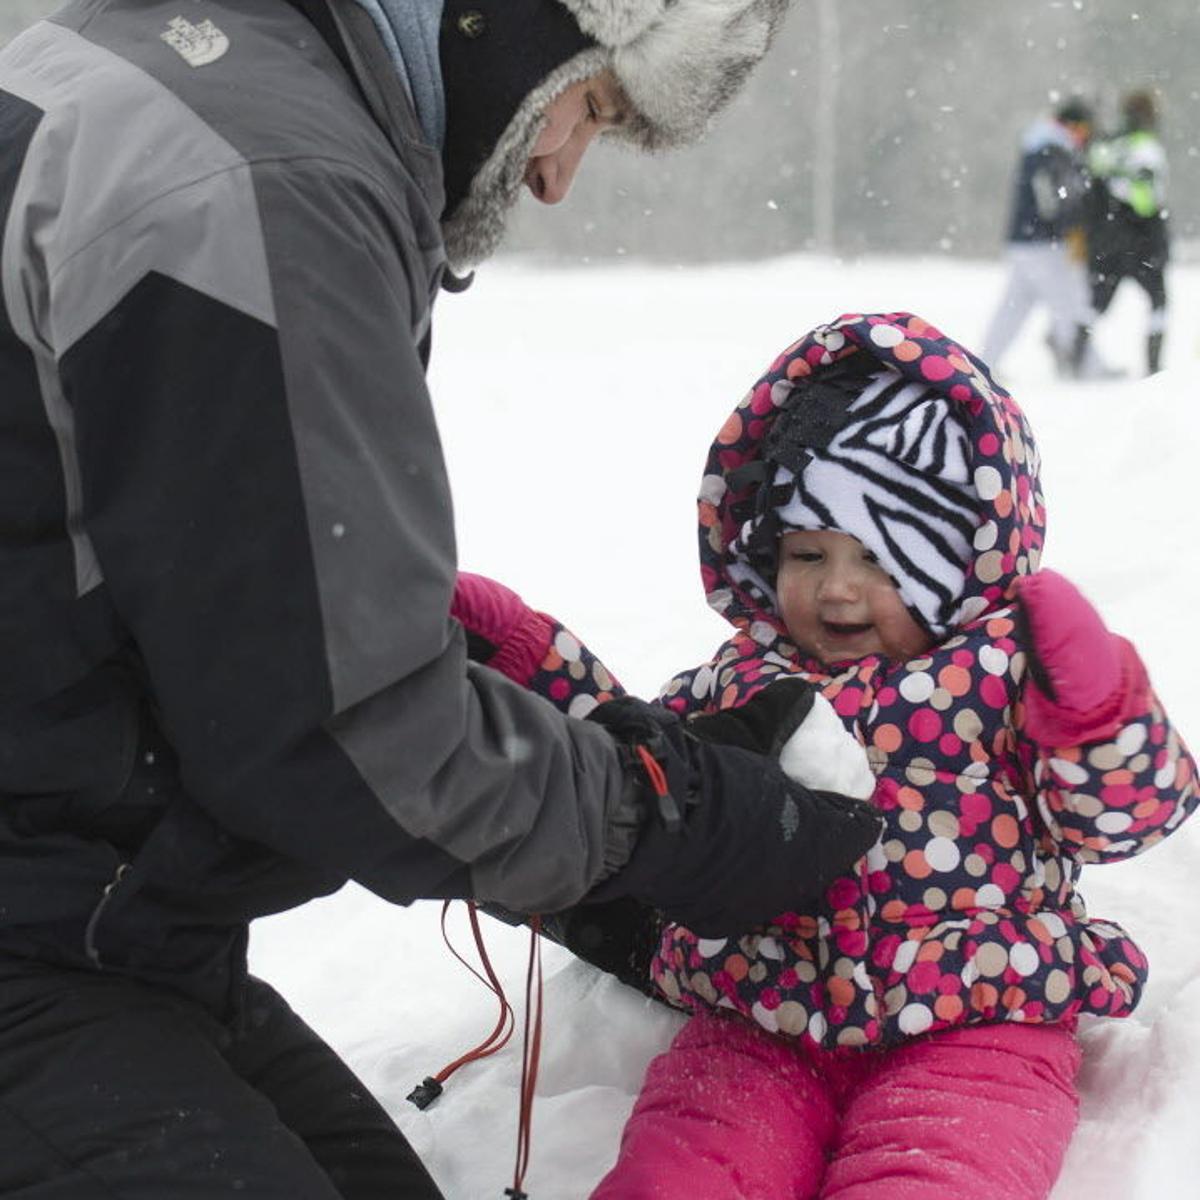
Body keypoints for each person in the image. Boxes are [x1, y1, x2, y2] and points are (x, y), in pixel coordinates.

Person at [0, 3, 894, 1197]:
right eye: (593, 106)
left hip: (96, 919)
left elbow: (227, 606)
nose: (559, 173)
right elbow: (336, 720)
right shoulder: (267, 181)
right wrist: (667, 821)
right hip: (47, 933)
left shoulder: (182, 56)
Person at [474, 312, 1198, 1198]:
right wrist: (528, 659)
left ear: (959, 563)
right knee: (681, 1173)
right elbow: (639, 763)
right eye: (806, 552)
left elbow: (1125, 820)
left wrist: (1096, 714)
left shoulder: (1008, 673)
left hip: (978, 1019)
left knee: (933, 1180)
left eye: (884, 560)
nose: (837, 587)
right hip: (760, 1019)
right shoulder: (745, 674)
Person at [982, 98, 1098, 378]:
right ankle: (1088, 367)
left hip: (1023, 241)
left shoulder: (1039, 145)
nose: (1086, 136)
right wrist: (1068, 224)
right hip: (1043, 245)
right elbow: (1051, 200)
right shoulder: (1050, 150)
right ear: (1071, 125)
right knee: (1068, 304)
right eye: (1084, 129)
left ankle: (984, 364)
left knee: (1014, 307)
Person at [1084, 89, 1171, 375]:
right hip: (1144, 244)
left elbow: (1094, 174)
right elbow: (1147, 201)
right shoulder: (1147, 147)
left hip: (1109, 242)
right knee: (1159, 302)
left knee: (1098, 304)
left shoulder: (1109, 145)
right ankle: (1154, 367)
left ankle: (1073, 352)